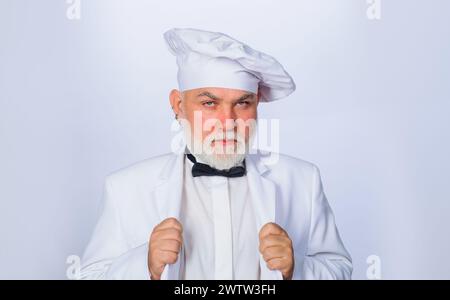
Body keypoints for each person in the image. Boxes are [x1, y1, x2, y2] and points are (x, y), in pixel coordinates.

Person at [80, 28, 352, 280]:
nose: (227, 121)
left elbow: (340, 269)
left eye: (242, 104)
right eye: (209, 103)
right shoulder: (125, 189)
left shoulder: (303, 181)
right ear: (178, 105)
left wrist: (297, 268)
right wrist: (144, 266)